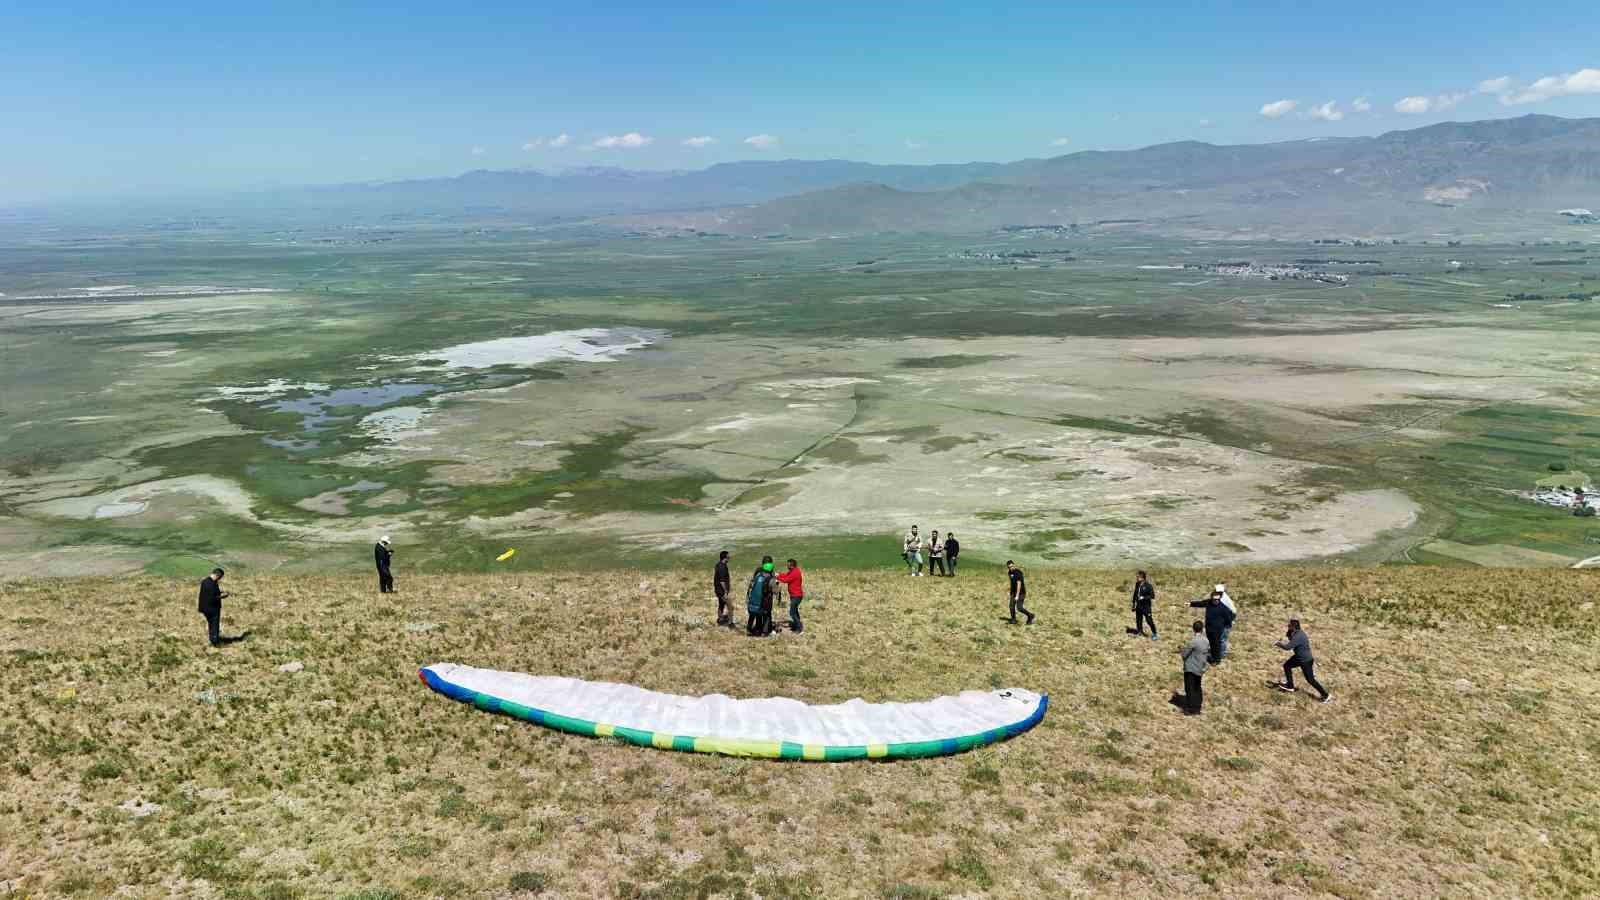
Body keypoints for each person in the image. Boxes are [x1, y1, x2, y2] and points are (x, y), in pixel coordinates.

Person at [1275, 619, 1330, 702]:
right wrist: (1289, 634)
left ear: (1294, 627)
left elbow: (1288, 647)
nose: (1288, 626)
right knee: (1287, 666)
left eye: (1289, 626)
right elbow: (1292, 641)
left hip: (1305, 661)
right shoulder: (1296, 632)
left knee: (1310, 680)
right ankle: (1290, 686)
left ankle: (1326, 695)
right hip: (1298, 657)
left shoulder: (1299, 636)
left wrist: (1279, 644)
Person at [196, 568, 245, 647]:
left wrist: (220, 592)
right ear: (217, 575)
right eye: (220, 577)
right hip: (212, 608)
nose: (220, 579)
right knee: (214, 625)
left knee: (211, 624)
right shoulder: (212, 584)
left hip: (204, 608)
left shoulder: (205, 581)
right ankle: (215, 643)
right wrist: (223, 596)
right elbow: (212, 598)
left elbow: (209, 593)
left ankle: (212, 640)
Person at [1170, 620, 1209, 715]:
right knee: (1197, 687)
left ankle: (1191, 709)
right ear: (1202, 629)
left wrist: (1181, 650)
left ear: (1193, 629)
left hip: (1191, 668)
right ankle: (1197, 707)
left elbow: (1184, 655)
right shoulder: (1206, 641)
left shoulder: (1193, 641)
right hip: (1200, 668)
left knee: (1190, 688)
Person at [1189, 589, 1236, 664]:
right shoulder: (1209, 602)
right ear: (1211, 598)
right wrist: (1191, 604)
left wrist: (1224, 625)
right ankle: (1213, 656)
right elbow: (1201, 603)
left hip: (1217, 630)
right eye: (1214, 599)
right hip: (1209, 628)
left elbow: (1230, 617)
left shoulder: (1223, 608)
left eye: (1218, 599)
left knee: (1216, 645)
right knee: (1211, 643)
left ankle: (1216, 660)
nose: (1216, 601)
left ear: (1220, 598)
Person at [746, 556, 776, 637]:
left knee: (758, 615)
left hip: (755, 599)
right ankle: (765, 632)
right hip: (766, 600)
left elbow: (752, 584)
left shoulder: (758, 573)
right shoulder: (770, 576)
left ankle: (757, 629)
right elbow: (775, 591)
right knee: (767, 616)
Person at [775, 558, 805, 633]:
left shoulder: (795, 573)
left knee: (792, 612)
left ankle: (799, 628)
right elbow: (786, 575)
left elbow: (786, 580)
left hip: (796, 596)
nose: (787, 566)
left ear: (791, 566)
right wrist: (779, 574)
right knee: (795, 611)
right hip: (795, 595)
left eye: (788, 565)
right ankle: (797, 624)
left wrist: (777, 577)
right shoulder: (793, 571)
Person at [1128, 570, 1157, 639]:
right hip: (1139, 606)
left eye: (1138, 577)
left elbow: (1152, 596)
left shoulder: (1148, 586)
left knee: (1149, 621)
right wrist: (1133, 604)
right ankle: (1140, 632)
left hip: (1146, 607)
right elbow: (1135, 594)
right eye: (1137, 576)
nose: (1137, 578)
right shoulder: (1137, 584)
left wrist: (1143, 597)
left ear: (1142, 577)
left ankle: (1154, 634)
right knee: (1138, 620)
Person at [1005, 560, 1034, 624]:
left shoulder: (1018, 573)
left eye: (1011, 566)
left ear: (1014, 565)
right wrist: (1010, 591)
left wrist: (1017, 596)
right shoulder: (1009, 572)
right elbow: (1012, 582)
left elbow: (1019, 584)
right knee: (1011, 606)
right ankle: (1013, 619)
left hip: (1021, 593)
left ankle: (1030, 615)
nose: (1011, 568)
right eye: (1009, 567)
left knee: (1019, 608)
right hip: (1013, 592)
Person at [1215, 583, 1236, 660]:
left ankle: (1222, 654)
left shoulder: (1223, 599)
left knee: (1222, 638)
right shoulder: (1221, 597)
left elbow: (1232, 612)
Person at [714, 550, 733, 626]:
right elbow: (722, 581)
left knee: (721, 604)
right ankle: (730, 623)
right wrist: (725, 592)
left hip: (718, 590)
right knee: (730, 606)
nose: (729, 557)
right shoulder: (722, 567)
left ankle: (720, 619)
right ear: (725, 557)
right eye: (728, 556)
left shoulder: (719, 564)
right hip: (721, 591)